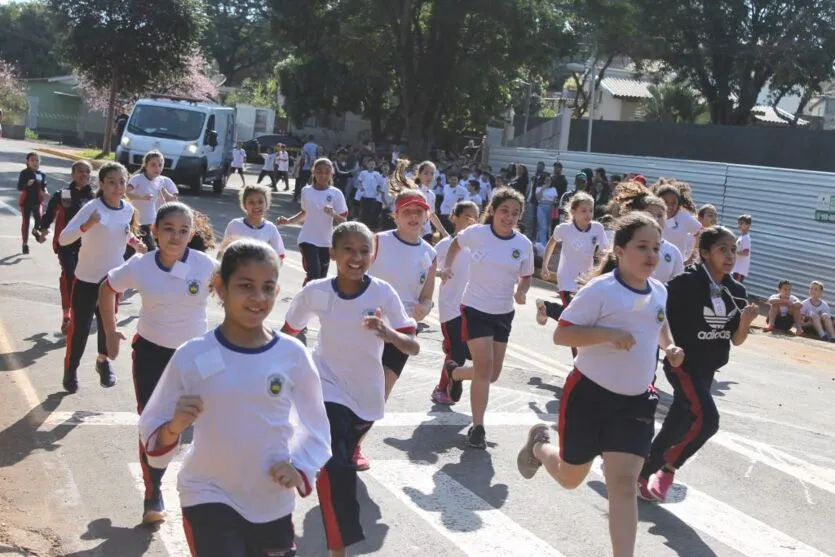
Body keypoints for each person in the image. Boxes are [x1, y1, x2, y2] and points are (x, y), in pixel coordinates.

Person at [138, 239, 331, 555]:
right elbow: (152, 428)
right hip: (207, 492)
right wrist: (174, 427)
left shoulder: (292, 354)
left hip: (271, 499)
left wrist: (299, 468)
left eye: (267, 287)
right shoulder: (193, 354)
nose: (258, 297)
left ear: (277, 291)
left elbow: (317, 428)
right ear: (220, 287)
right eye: (245, 286)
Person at [517, 212, 684, 557]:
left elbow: (659, 320)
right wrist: (607, 335)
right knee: (570, 478)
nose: (651, 255)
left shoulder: (659, 291)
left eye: (656, 247)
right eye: (642, 247)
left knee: (622, 485)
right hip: (589, 397)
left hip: (636, 403)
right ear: (620, 251)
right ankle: (539, 447)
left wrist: (669, 346)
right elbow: (563, 334)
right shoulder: (602, 289)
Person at [282, 222, 418, 557]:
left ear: (372, 255)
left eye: (363, 251)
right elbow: (288, 333)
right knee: (336, 464)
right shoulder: (316, 291)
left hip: (367, 395)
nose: (356, 258)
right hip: (327, 385)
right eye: (348, 250)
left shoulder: (382, 293)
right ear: (332, 253)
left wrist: (388, 333)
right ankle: (338, 547)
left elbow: (412, 345)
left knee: (340, 453)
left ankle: (313, 461)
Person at [97, 202, 218, 524]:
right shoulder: (140, 265)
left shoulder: (206, 266)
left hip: (196, 356)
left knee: (211, 418)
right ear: (154, 231)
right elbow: (107, 289)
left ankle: (214, 490)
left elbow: (236, 290)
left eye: (183, 231)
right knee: (152, 424)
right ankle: (153, 494)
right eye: (168, 229)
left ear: (191, 234)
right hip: (151, 353)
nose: (175, 237)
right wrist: (110, 332)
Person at [639, 226, 758, 502]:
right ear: (704, 253)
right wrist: (667, 347)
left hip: (708, 368)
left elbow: (736, 339)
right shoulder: (685, 284)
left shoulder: (735, 290)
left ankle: (642, 473)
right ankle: (668, 468)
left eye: (733, 250)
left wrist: (744, 323)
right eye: (722, 249)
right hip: (683, 365)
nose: (730, 256)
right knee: (708, 421)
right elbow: (657, 314)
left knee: (678, 423)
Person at [441, 188, 534, 449]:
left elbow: (526, 276)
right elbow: (456, 244)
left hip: (503, 312)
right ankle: (478, 427)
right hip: (475, 309)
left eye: (515, 213)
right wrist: (447, 265)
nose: (509, 217)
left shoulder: (523, 244)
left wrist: (522, 291)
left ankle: (455, 373)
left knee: (492, 374)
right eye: (504, 211)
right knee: (484, 368)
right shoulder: (477, 234)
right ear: (492, 210)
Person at [58, 162, 146, 393]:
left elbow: (124, 232)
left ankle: (103, 362)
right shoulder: (91, 208)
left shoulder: (127, 209)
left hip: (112, 280)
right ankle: (71, 370)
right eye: (111, 182)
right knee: (80, 329)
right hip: (87, 279)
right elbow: (64, 239)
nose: (117, 187)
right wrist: (87, 225)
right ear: (102, 184)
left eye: (122, 182)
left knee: (109, 326)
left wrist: (135, 243)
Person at [431, 200, 480, 406]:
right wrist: (441, 272)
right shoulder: (444, 245)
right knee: (457, 354)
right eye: (467, 217)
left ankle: (449, 344)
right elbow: (425, 268)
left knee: (472, 352)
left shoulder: (477, 245)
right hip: (450, 306)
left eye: (475, 218)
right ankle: (442, 389)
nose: (471, 221)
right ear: (454, 218)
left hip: (471, 307)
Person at [38, 160, 95, 334]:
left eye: (87, 172)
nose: (84, 175)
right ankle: (67, 315)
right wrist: (43, 230)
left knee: (86, 280)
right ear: (72, 174)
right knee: (70, 275)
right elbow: (49, 213)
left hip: (89, 245)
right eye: (80, 171)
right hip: (67, 244)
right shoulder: (63, 194)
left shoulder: (95, 196)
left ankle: (82, 312)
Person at [537, 192, 608, 329]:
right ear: (573, 212)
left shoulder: (597, 228)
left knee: (578, 315)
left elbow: (604, 250)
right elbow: (551, 243)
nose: (588, 214)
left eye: (591, 210)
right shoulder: (564, 229)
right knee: (573, 316)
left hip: (586, 279)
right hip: (566, 278)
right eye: (583, 211)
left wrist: (602, 258)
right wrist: (545, 265)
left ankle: (546, 307)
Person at [278, 158, 348, 285]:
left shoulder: (336, 193)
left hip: (326, 242)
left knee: (320, 280)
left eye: (327, 172)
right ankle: (305, 296)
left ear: (332, 174)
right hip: (307, 239)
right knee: (313, 275)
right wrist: (288, 221)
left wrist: (333, 213)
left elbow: (343, 220)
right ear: (313, 172)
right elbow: (305, 213)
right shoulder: (306, 191)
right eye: (319, 171)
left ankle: (310, 296)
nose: (323, 175)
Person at [126, 150, 179, 251]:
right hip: (136, 222)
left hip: (152, 223)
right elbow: (126, 193)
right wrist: (141, 197)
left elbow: (172, 199)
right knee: (137, 251)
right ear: (146, 165)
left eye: (160, 165)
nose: (157, 168)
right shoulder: (137, 178)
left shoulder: (162, 181)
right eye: (153, 165)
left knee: (151, 250)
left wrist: (165, 193)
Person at [224, 184, 286, 260]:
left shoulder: (271, 228)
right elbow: (224, 252)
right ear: (244, 205)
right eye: (251, 202)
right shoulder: (235, 225)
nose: (256, 206)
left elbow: (279, 255)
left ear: (266, 203)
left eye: (260, 202)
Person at [656, 183, 701, 261]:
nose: (670, 206)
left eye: (674, 203)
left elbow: (700, 232)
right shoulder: (652, 216)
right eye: (666, 202)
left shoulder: (684, 216)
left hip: (678, 264)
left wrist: (692, 256)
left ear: (678, 203)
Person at [17, 151, 48, 254]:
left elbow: (44, 187)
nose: (35, 162)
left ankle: (35, 231)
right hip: (26, 201)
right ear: (27, 162)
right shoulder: (24, 173)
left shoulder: (42, 174)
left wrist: (46, 192)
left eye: (37, 160)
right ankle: (25, 244)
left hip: (38, 201)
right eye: (32, 160)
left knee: (39, 219)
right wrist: (27, 184)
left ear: (40, 162)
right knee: (26, 223)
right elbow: (19, 187)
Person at [295, 135, 319, 202]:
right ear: (313, 139)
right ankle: (310, 198)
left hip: (305, 166)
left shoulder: (305, 145)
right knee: (313, 183)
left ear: (308, 139)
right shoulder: (316, 146)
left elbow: (304, 154)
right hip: (313, 166)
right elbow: (317, 155)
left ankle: (299, 197)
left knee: (302, 182)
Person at [732, 214, 752, 282]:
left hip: (740, 270)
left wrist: (734, 252)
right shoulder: (741, 237)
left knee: (735, 287)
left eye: (741, 223)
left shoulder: (746, 238)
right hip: (736, 268)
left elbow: (746, 253)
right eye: (738, 223)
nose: (739, 225)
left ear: (748, 225)